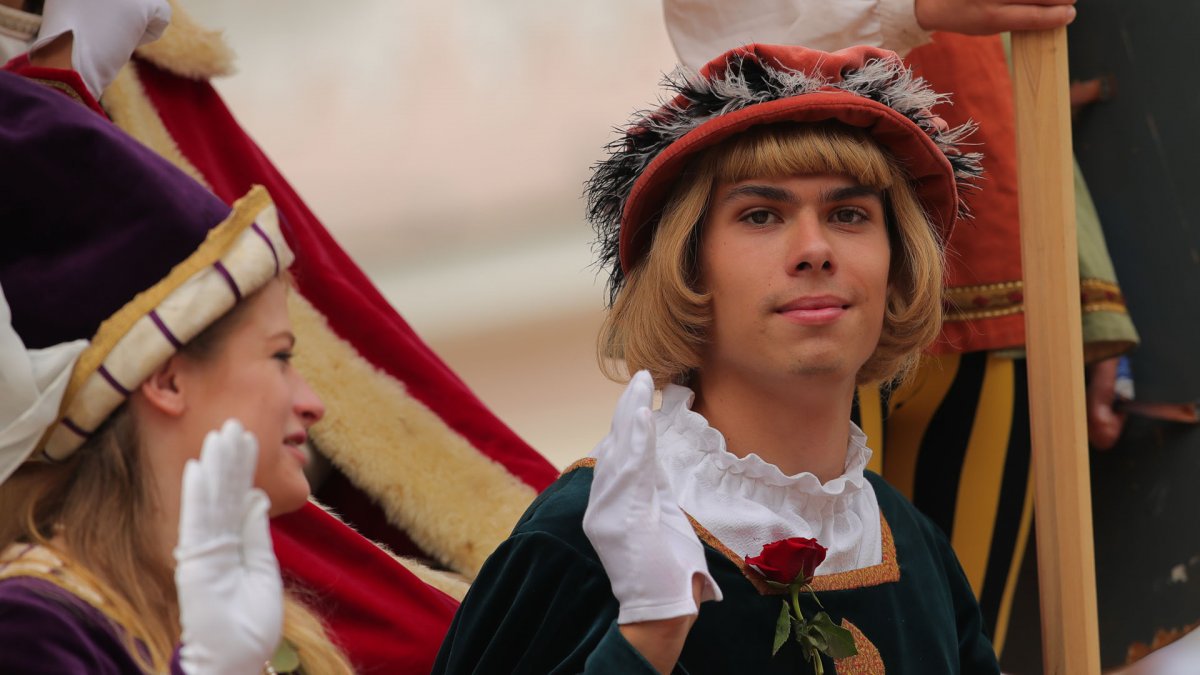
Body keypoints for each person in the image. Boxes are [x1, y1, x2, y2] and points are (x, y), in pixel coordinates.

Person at [434, 43, 998, 673]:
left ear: (896, 267)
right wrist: (644, 641)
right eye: (761, 216)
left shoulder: (915, 546)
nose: (815, 250)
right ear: (687, 268)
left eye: (848, 214)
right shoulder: (576, 540)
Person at [661, 2, 1142, 669]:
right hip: (789, 251)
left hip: (1000, 253)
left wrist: (1087, 296)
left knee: (947, 636)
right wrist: (911, 8)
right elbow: (722, 35)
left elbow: (1029, 48)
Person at [0, 70, 354, 673]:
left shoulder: (244, 619)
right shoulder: (29, 631)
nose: (312, 402)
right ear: (166, 380)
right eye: (279, 356)